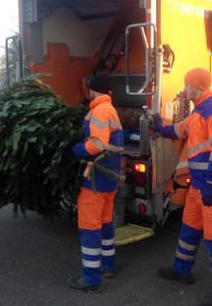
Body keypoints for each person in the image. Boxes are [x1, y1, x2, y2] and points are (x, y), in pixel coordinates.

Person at [151, 68, 212, 306]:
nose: (183, 89)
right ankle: (182, 270)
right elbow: (181, 130)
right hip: (199, 187)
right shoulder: (199, 112)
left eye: (186, 85)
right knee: (189, 229)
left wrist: (211, 182)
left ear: (197, 87)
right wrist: (160, 128)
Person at [68, 74, 124, 293]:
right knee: (105, 223)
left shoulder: (99, 111)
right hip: (109, 177)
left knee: (89, 228)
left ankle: (91, 280)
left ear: (92, 90)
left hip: (96, 179)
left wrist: (78, 150)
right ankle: (108, 266)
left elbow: (98, 144)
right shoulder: (110, 109)